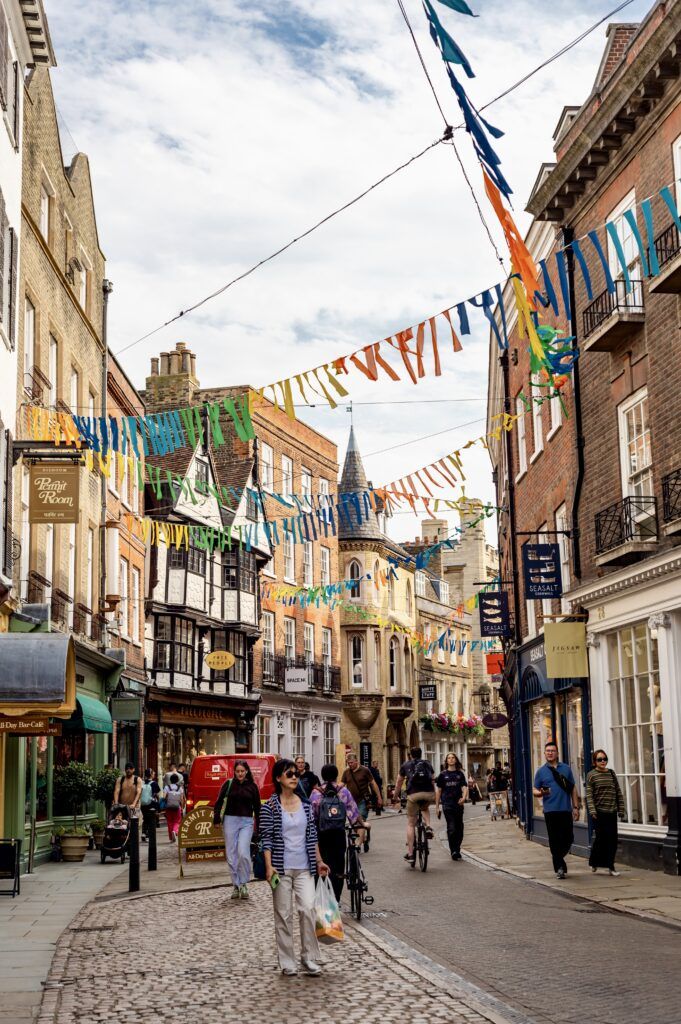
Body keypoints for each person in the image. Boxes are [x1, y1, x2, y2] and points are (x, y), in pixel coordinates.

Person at [260, 758, 330, 977]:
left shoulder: (306, 805)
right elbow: (266, 839)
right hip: (281, 869)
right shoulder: (270, 807)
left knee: (308, 909)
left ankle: (308, 957)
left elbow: (312, 836)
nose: (293, 777)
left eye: (295, 774)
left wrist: (319, 861)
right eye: (289, 774)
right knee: (284, 915)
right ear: (278, 778)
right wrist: (269, 866)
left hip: (304, 867)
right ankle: (287, 961)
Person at [309, 763, 361, 901]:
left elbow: (311, 816)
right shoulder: (343, 791)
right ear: (336, 775)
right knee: (338, 865)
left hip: (322, 835)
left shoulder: (316, 793)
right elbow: (353, 812)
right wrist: (361, 824)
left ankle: (322, 896)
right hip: (338, 834)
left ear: (323, 776)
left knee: (322, 862)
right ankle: (336, 898)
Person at [213, 760, 261, 899]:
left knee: (243, 853)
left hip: (246, 822)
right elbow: (219, 801)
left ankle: (244, 883)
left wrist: (260, 826)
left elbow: (257, 808)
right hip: (230, 821)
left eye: (242, 771)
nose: (240, 773)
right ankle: (235, 885)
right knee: (231, 855)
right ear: (234, 771)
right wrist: (216, 819)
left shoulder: (252, 786)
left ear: (246, 771)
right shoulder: (228, 784)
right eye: (237, 771)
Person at [533, 741, 580, 879]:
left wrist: (575, 807)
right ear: (544, 753)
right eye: (547, 751)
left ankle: (559, 860)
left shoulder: (566, 769)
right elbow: (534, 790)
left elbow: (573, 789)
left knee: (568, 838)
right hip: (550, 811)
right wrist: (541, 793)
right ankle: (559, 867)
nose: (550, 753)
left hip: (565, 809)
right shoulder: (541, 771)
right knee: (554, 840)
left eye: (552, 751)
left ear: (557, 753)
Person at [586, 749, 626, 876]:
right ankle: (594, 862)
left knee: (612, 840)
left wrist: (621, 808)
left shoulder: (611, 773)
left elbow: (618, 791)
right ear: (594, 762)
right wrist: (592, 810)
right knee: (600, 839)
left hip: (612, 811)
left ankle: (611, 866)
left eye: (604, 759)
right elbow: (589, 795)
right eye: (599, 759)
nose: (603, 761)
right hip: (599, 812)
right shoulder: (591, 775)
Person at [392, 746, 435, 861]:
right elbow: (433, 779)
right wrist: (433, 794)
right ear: (421, 754)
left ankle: (410, 853)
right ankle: (429, 827)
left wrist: (395, 797)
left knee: (411, 823)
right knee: (425, 808)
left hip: (414, 794)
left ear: (410, 755)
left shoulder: (406, 765)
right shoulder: (427, 763)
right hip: (428, 794)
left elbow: (399, 783)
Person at [341, 752, 382, 851]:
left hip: (363, 801)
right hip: (351, 803)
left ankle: (357, 845)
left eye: (351, 762)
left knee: (361, 822)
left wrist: (379, 797)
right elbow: (341, 785)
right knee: (354, 824)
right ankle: (365, 837)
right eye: (348, 763)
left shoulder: (365, 770)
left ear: (356, 761)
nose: (350, 764)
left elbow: (373, 783)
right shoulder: (346, 772)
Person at [435, 753, 468, 860]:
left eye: (453, 757)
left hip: (458, 804)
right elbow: (439, 791)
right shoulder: (442, 775)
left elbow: (464, 787)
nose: (451, 759)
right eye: (449, 758)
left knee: (460, 828)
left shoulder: (460, 774)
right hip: (447, 804)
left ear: (456, 760)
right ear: (446, 761)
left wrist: (464, 798)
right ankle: (453, 850)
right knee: (452, 827)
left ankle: (457, 848)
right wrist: (437, 807)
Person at [163, 771, 185, 842]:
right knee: (177, 821)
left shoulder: (167, 787)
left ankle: (171, 838)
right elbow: (181, 799)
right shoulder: (180, 788)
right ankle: (175, 831)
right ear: (177, 780)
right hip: (177, 807)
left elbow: (164, 797)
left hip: (168, 807)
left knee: (169, 822)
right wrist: (181, 807)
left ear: (170, 780)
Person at [140, 768, 160, 843]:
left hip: (143, 804)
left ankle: (143, 833)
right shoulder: (154, 783)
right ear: (151, 774)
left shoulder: (142, 783)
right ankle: (148, 835)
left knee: (145, 819)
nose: (154, 773)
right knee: (151, 820)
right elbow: (157, 794)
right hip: (151, 803)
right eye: (153, 773)